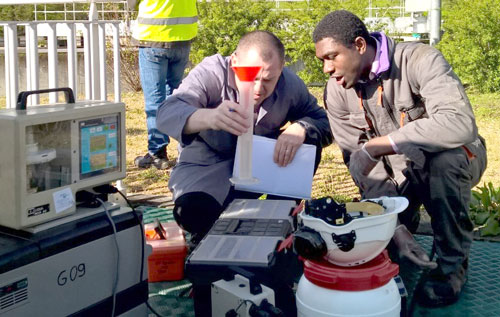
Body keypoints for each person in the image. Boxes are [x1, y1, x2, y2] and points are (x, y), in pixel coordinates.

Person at [313, 10, 486, 307]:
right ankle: (407, 218)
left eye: (332, 56)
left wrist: (381, 144)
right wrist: (396, 227)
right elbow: (363, 169)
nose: (327, 69)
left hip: (452, 161)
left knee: (444, 163)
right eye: (322, 61)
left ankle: (451, 266)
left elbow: (459, 123)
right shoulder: (336, 92)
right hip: (396, 178)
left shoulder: (420, 59)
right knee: (381, 243)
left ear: (359, 45)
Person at [157, 30, 332, 317]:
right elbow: (167, 112)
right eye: (250, 76)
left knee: (309, 142)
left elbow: (321, 120)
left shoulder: (290, 84)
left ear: (281, 70)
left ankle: (279, 222)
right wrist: (209, 117)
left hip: (263, 163)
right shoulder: (211, 72)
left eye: (268, 79)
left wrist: (301, 128)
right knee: (192, 211)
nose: (259, 88)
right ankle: (204, 242)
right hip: (209, 163)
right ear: (234, 61)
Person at [130, 0, 198, 169]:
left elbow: (132, 4)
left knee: (155, 99)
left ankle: (157, 153)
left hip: (153, 37)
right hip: (182, 37)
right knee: (177, 98)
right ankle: (185, 150)